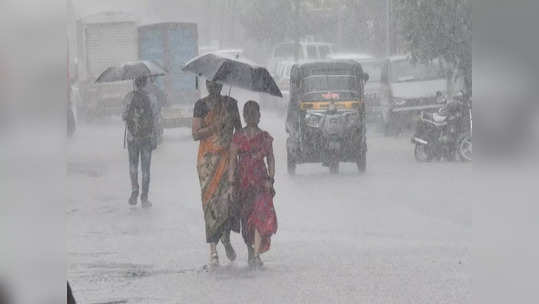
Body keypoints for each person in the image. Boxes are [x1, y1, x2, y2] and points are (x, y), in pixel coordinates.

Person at [192, 80, 242, 267]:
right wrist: (216, 126)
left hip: (227, 160)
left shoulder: (231, 104)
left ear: (221, 84)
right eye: (210, 82)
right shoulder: (201, 105)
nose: (213, 86)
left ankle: (226, 239)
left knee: (228, 204)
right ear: (206, 83)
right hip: (207, 163)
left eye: (217, 82)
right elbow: (195, 134)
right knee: (210, 205)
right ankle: (213, 249)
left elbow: (239, 131)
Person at [229, 100, 277, 269]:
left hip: (261, 183)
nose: (251, 116)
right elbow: (232, 161)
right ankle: (251, 250)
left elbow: (270, 159)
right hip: (242, 184)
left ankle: (256, 254)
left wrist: (271, 179)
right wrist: (230, 183)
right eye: (248, 113)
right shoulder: (238, 137)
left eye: (254, 113)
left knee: (259, 217)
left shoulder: (264, 137)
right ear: (243, 116)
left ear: (259, 116)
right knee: (245, 219)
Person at [122, 76, 156, 208]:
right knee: (146, 169)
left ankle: (134, 191)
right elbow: (156, 116)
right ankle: (145, 197)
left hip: (132, 138)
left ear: (135, 83)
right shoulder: (151, 98)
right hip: (147, 137)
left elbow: (124, 115)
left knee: (133, 166)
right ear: (146, 83)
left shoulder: (129, 97)